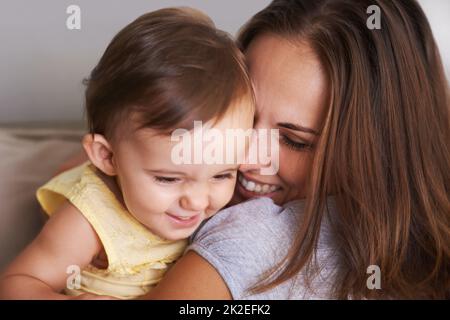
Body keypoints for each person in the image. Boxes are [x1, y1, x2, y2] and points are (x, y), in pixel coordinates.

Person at [140, 0, 449, 299]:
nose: (244, 156)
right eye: (242, 116)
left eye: (294, 141)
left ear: (378, 151)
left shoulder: (249, 239)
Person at [0, 7, 254, 299]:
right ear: (107, 157)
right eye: (168, 179)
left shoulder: (231, 208)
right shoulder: (88, 222)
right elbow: (17, 283)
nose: (197, 200)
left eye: (222, 174)